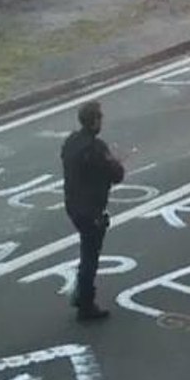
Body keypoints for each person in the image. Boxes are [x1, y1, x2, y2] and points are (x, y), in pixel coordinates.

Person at [62, 101, 126, 322]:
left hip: (73, 204)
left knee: (86, 249)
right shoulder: (97, 148)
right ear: (95, 121)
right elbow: (116, 174)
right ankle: (85, 301)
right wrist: (115, 163)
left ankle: (82, 294)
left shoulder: (71, 142)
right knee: (90, 255)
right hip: (91, 209)